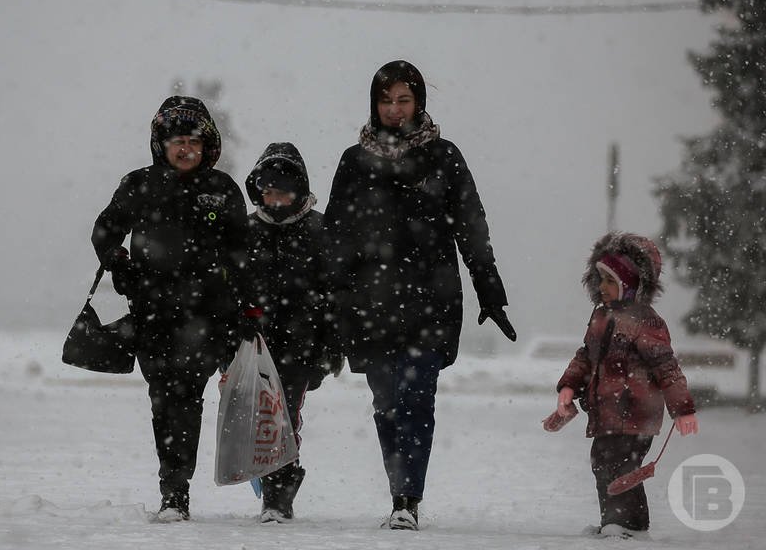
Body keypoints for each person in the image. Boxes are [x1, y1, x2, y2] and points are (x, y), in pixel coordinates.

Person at [323, 60, 516, 530]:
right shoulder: (354, 160)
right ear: (374, 104)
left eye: (403, 100)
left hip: (431, 300)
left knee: (416, 399)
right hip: (369, 305)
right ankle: (399, 489)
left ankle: (406, 499)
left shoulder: (443, 156)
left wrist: (487, 285)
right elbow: (335, 234)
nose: (394, 109)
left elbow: (472, 225)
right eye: (385, 101)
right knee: (386, 404)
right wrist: (327, 301)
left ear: (419, 103)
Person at [92, 96, 260, 523]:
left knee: (187, 399)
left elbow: (243, 252)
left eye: (194, 142)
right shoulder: (139, 185)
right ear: (160, 144)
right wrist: (120, 264)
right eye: (177, 141)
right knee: (166, 403)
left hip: (209, 318)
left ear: (209, 146)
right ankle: (175, 491)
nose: (186, 150)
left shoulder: (221, 190)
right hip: (155, 316)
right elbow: (105, 230)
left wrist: (247, 308)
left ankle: (188, 489)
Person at [554, 232, 698, 540]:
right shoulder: (600, 317)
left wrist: (682, 408)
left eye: (609, 281)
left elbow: (667, 368)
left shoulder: (646, 322)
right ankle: (613, 522)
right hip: (605, 411)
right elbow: (586, 355)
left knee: (623, 467)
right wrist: (569, 385)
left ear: (630, 283)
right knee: (603, 463)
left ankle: (632, 525)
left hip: (636, 414)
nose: (602, 288)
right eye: (600, 280)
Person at [242, 142, 343, 523]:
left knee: (283, 418)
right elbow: (232, 288)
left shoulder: (320, 230)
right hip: (253, 344)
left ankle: (279, 497)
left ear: (299, 190)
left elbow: (335, 295)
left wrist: (330, 349)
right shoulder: (247, 231)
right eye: (268, 189)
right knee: (254, 418)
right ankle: (265, 484)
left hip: (302, 347)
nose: (276, 197)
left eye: (284, 189)